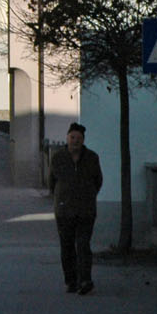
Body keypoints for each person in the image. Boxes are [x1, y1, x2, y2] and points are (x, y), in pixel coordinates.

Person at [48, 122, 103, 295]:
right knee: (67, 246)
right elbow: (52, 183)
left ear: (83, 140)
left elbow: (98, 181)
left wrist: (89, 195)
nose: (75, 141)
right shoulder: (58, 158)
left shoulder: (92, 158)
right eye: (72, 137)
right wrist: (60, 198)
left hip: (86, 211)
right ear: (67, 138)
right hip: (64, 211)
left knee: (83, 245)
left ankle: (85, 280)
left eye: (78, 138)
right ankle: (71, 280)